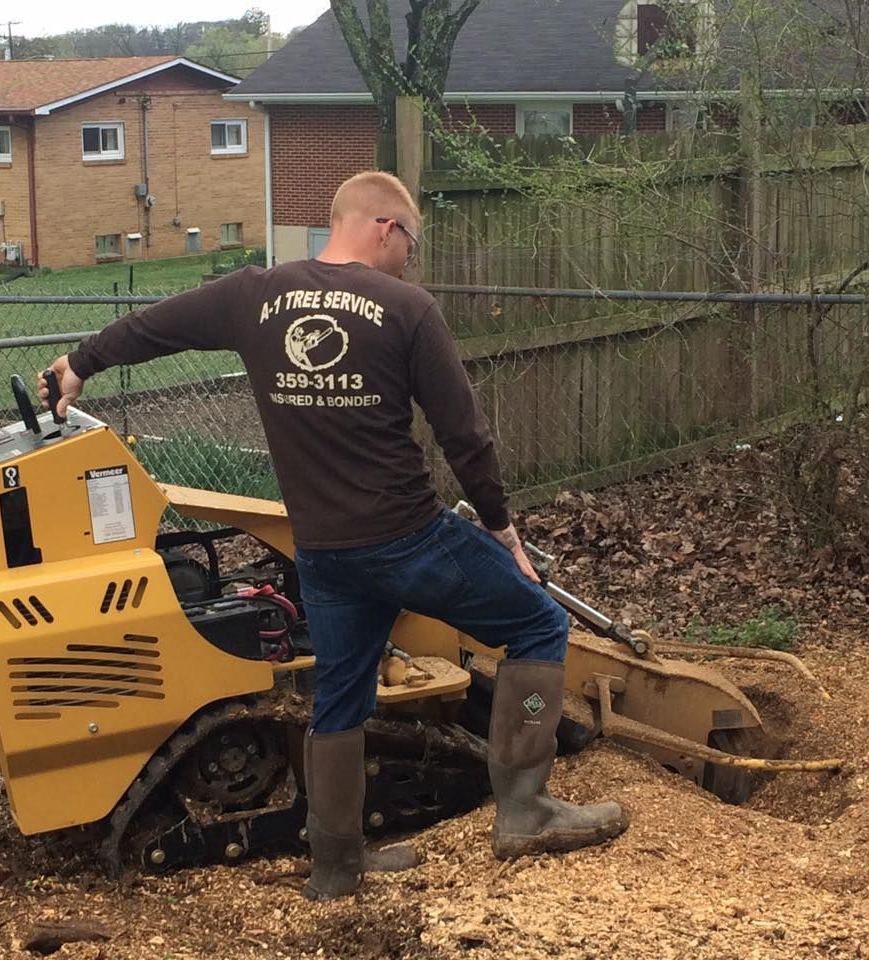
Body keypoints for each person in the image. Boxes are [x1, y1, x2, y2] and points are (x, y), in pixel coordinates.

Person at [39, 171, 628, 901]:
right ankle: (527, 809)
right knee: (537, 622)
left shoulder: (253, 295)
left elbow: (154, 328)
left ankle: (336, 868)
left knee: (340, 698)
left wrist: (78, 363)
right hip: (407, 537)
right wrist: (502, 529)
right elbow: (465, 437)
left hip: (322, 552)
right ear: (384, 227)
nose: (410, 258)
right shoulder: (407, 309)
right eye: (410, 240)